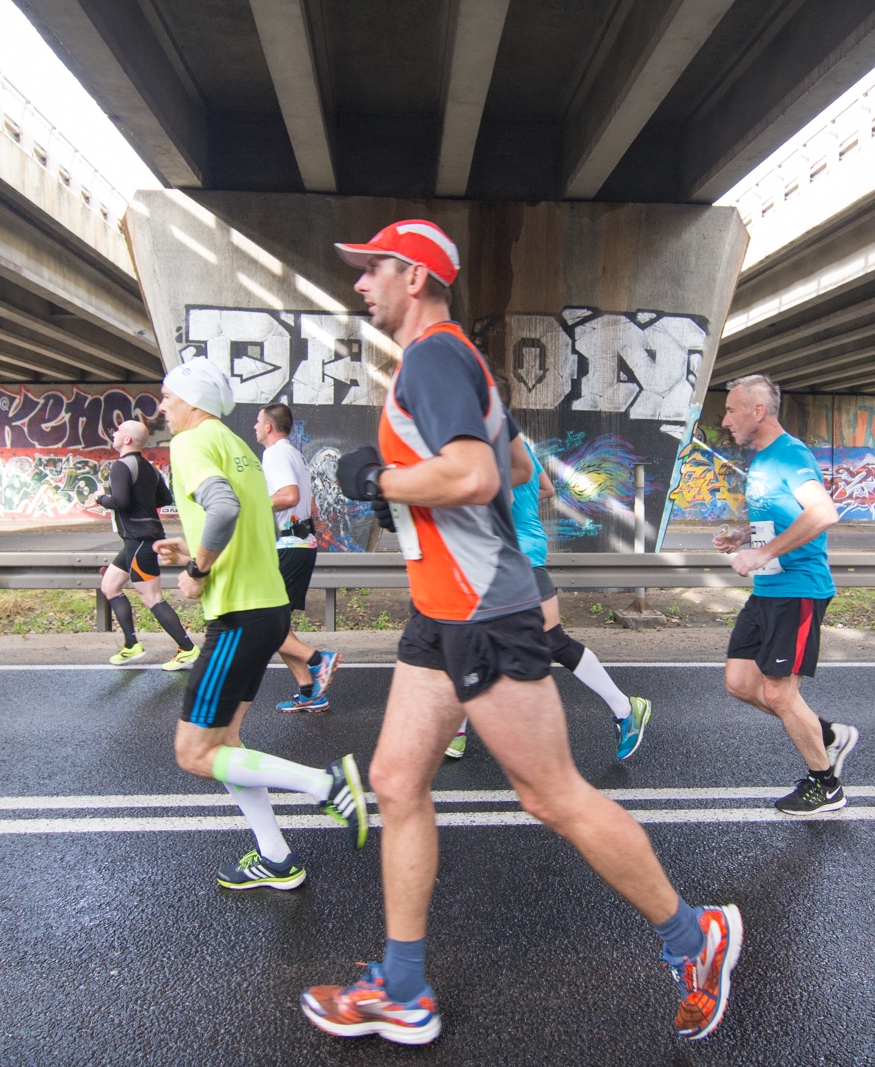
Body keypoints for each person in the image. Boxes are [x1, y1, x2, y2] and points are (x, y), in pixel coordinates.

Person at [299, 220, 740, 1045]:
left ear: (417, 276)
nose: (361, 283)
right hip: (442, 611)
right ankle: (402, 989)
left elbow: (471, 474)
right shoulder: (455, 365)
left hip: (482, 613)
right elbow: (512, 467)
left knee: (551, 794)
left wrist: (377, 477)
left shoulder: (433, 357)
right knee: (396, 782)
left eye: (373, 270)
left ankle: (695, 936)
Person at [152, 359, 369, 891]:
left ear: (194, 402)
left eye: (167, 397)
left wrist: (196, 569)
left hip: (237, 613)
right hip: (267, 607)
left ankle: (327, 784)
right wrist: (190, 543)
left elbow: (221, 510)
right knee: (225, 744)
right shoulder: (238, 447)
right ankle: (276, 857)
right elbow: (240, 519)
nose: (162, 407)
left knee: (194, 753)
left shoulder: (190, 442)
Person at [445, 411, 653, 761]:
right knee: (548, 640)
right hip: (529, 550)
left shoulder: (485, 448)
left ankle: (459, 730)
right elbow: (547, 489)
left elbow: (499, 499)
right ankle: (624, 707)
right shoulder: (522, 447)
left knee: (473, 636)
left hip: (506, 556)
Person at [712, 374, 859, 816]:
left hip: (797, 590)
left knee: (778, 693)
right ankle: (827, 734)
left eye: (732, 410)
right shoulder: (760, 461)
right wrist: (743, 536)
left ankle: (825, 785)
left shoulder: (789, 455)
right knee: (740, 683)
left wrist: (764, 554)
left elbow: (822, 512)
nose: (725, 420)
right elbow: (781, 517)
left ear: (758, 411)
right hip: (769, 590)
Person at [253, 403, 340, 712]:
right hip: (299, 544)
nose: (254, 427)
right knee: (278, 627)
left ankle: (319, 660)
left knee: (265, 626)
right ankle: (309, 692)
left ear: (268, 427)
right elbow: (312, 508)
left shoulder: (275, 454)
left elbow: (289, 496)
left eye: (257, 422)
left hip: (289, 547)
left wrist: (253, 506)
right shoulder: (297, 456)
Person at [93, 418, 199, 670]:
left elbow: (119, 502)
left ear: (127, 439)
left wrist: (100, 498)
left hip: (140, 540)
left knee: (151, 597)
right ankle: (131, 645)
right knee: (109, 586)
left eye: (118, 431)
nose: (115, 434)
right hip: (137, 539)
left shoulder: (120, 466)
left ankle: (187, 649)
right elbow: (165, 497)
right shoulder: (149, 468)